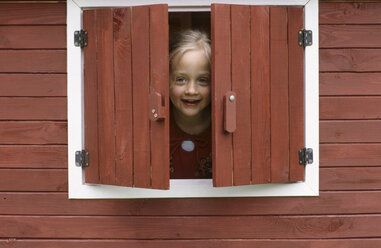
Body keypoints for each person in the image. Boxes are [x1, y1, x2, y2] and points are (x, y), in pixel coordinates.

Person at [169, 30, 212, 179]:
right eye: (180, 79)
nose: (191, 90)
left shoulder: (224, 127)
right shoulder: (155, 127)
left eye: (202, 80)